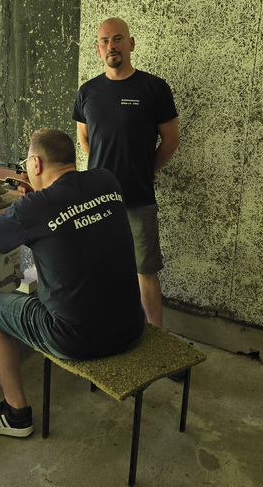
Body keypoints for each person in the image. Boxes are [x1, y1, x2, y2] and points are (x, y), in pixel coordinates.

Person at [0, 128, 145, 438]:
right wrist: (36, 198)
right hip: (130, 326)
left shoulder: (33, 208)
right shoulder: (106, 180)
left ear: (36, 164)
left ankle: (16, 414)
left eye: (27, 163)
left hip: (75, 340)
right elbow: (71, 218)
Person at [72, 17, 180, 328]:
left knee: (145, 271)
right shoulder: (87, 91)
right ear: (98, 49)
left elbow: (171, 140)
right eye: (105, 41)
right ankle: (109, 330)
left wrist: (146, 170)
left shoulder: (154, 88)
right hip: (97, 201)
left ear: (130, 44)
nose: (111, 46)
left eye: (118, 39)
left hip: (138, 198)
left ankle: (156, 337)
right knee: (101, 268)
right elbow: (83, 137)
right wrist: (101, 173)